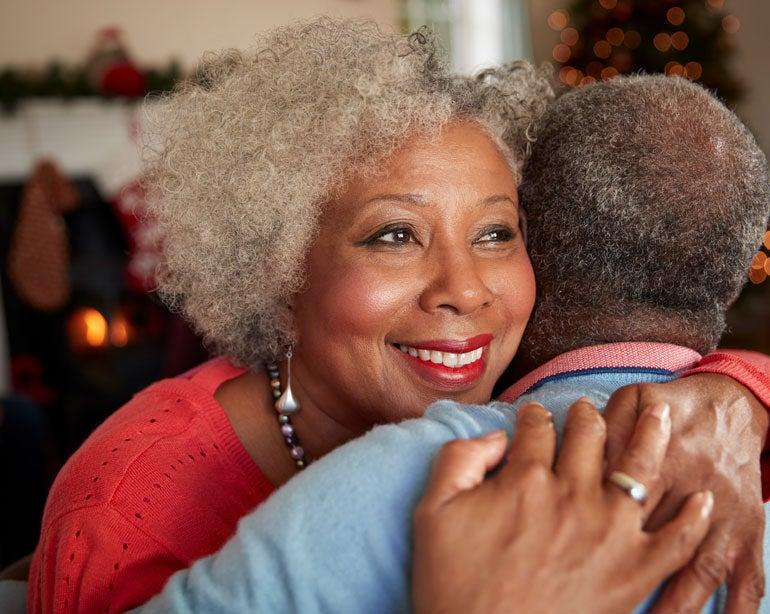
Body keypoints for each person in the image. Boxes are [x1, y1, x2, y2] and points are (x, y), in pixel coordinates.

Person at [27, 19, 770, 613]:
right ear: (278, 268)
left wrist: (734, 398)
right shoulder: (131, 511)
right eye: (394, 235)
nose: (465, 290)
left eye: (494, 234)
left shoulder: (501, 383)